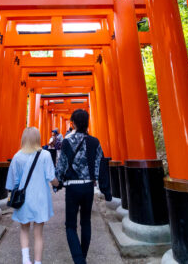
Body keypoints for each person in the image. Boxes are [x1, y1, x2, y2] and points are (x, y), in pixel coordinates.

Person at [55, 110, 112, 264]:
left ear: (72, 122)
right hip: (88, 187)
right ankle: (82, 258)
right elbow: (100, 164)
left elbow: (61, 166)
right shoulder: (95, 141)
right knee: (86, 222)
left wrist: (57, 184)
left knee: (70, 226)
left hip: (72, 188)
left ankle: (79, 261)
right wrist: (105, 190)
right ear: (87, 123)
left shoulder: (67, 141)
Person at [6, 127, 60, 264]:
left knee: (24, 229)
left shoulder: (17, 156)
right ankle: (37, 262)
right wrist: (58, 183)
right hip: (40, 199)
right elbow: (51, 178)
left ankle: (26, 260)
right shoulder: (45, 155)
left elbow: (12, 183)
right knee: (38, 234)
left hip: (23, 199)